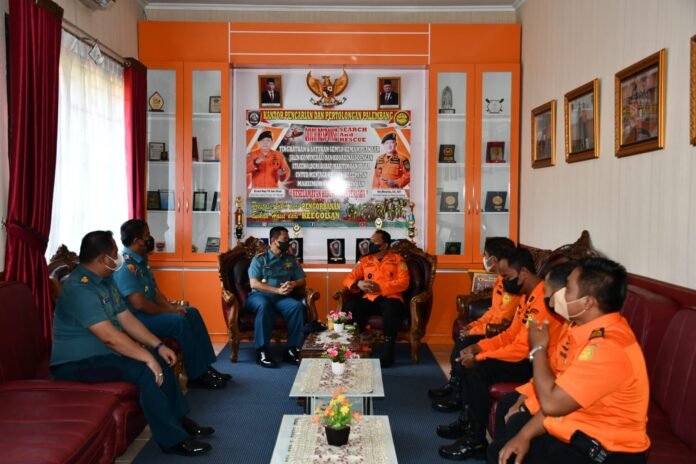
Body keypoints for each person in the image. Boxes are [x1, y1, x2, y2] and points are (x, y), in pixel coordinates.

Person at [50, 231, 214, 457]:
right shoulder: (79, 289)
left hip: (105, 355)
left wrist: (158, 346)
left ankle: (178, 421)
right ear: (103, 259)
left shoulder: (105, 281)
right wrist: (146, 357)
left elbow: (126, 318)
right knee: (146, 370)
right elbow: (109, 336)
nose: (118, 258)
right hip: (78, 364)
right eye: (114, 253)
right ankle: (172, 440)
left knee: (159, 359)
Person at [493, 258, 650, 464]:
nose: (561, 294)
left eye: (567, 289)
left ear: (587, 302)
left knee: (507, 454)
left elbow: (551, 404)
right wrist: (524, 436)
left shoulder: (607, 348)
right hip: (578, 430)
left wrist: (538, 348)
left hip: (606, 453)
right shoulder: (584, 331)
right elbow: (561, 391)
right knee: (507, 445)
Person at [437, 247, 566, 461]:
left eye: (506, 276)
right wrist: (480, 347)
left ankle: (476, 440)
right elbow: (510, 335)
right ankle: (468, 422)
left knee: (477, 369)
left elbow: (523, 348)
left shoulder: (544, 301)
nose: (503, 281)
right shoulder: (526, 297)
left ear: (523, 273)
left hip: (533, 362)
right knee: (471, 358)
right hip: (524, 355)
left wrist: (480, 357)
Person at [113, 219, 230, 389]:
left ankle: (205, 366)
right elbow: (139, 304)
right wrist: (168, 312)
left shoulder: (141, 261)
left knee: (191, 312)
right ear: (137, 241)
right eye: (147, 235)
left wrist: (172, 308)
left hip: (150, 313)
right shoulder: (125, 266)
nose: (150, 238)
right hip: (137, 319)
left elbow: (155, 292)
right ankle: (196, 374)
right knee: (178, 322)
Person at [429, 237, 519, 413]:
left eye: (485, 255)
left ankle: (458, 395)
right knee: (464, 337)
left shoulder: (512, 284)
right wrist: (474, 325)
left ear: (494, 259)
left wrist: (475, 330)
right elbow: (493, 311)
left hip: (499, 331)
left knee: (466, 342)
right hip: (490, 327)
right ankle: (454, 385)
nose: (483, 259)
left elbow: (502, 319)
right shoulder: (501, 279)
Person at [490, 262, 576, 441]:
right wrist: (524, 397)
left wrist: (525, 405)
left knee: (516, 419)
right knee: (507, 404)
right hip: (544, 379)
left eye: (551, 296)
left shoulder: (598, 342)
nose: (549, 302)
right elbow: (553, 368)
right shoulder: (570, 325)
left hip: (566, 409)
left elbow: (561, 394)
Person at [342, 230, 410, 367]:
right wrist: (358, 283)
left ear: (385, 245)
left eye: (375, 242)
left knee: (391, 309)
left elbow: (404, 282)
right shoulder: (365, 260)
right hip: (370, 299)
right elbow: (347, 279)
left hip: (391, 298)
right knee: (351, 307)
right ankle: (360, 340)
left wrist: (380, 287)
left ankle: (387, 354)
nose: (370, 244)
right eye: (370, 241)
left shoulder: (398, 260)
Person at [245, 226, 307, 368]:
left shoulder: (290, 259)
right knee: (264, 306)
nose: (288, 242)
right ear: (273, 240)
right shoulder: (259, 259)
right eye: (285, 239)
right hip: (259, 296)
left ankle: (291, 349)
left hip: (281, 298)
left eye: (288, 239)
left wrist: (293, 283)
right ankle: (262, 351)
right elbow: (254, 283)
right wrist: (277, 290)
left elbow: (302, 280)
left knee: (297, 307)